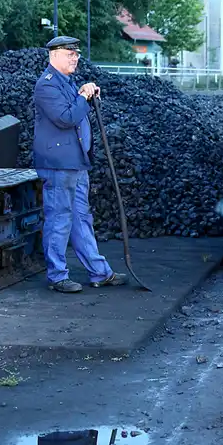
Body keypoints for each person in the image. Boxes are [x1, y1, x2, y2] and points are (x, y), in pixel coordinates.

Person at [33, 35, 128, 294]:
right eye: (69, 54)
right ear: (54, 55)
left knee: (81, 219)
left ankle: (99, 272)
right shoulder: (47, 85)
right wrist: (83, 97)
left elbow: (75, 109)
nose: (75, 58)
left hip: (75, 163)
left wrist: (84, 92)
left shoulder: (66, 82)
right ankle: (57, 276)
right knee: (60, 218)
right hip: (59, 165)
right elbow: (66, 118)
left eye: (76, 54)